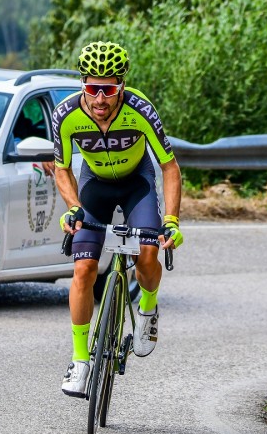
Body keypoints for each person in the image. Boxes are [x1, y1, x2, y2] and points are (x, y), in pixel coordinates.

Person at [52, 40, 183, 397]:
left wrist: (171, 220)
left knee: (148, 253)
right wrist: (72, 206)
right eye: (92, 88)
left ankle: (148, 309)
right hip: (95, 187)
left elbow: (170, 167)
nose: (99, 99)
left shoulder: (140, 109)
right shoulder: (66, 115)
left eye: (108, 89)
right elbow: (61, 168)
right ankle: (80, 361)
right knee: (83, 269)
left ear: (121, 86)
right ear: (83, 84)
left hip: (136, 184)